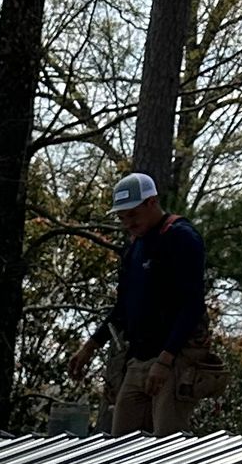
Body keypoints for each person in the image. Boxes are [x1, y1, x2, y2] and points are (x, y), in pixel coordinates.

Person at [69, 173, 209, 436]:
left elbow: (192, 305)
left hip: (174, 358)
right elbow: (123, 308)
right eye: (122, 218)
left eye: (133, 215)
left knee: (168, 441)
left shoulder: (181, 237)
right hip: (139, 357)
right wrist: (90, 346)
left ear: (152, 202)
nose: (128, 224)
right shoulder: (135, 247)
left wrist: (166, 360)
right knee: (121, 440)